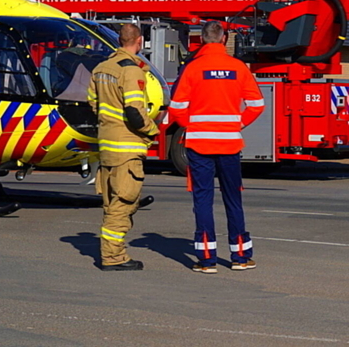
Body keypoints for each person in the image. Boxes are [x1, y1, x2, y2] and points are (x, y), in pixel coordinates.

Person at [170, 21, 265, 274]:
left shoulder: (193, 68)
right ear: (223, 40)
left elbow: (176, 108)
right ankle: (241, 256)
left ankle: (206, 259)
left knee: (202, 199)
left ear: (202, 40)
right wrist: (238, 123)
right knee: (233, 199)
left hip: (199, 143)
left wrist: (192, 124)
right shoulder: (238, 68)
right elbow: (257, 104)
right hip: (229, 143)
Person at [87, 23, 159, 271]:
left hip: (106, 147)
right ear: (138, 41)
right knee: (123, 205)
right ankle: (113, 257)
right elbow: (134, 113)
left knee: (111, 205)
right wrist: (152, 130)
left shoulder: (101, 68)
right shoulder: (131, 71)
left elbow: (94, 104)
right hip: (126, 149)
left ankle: (111, 253)